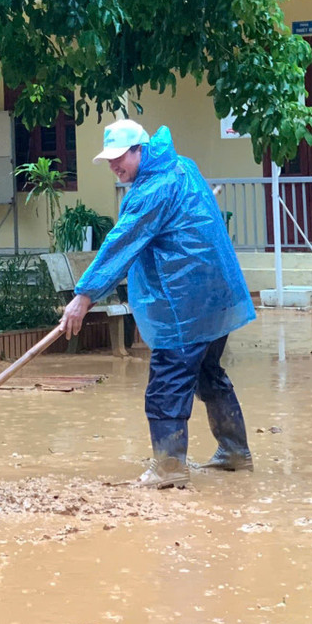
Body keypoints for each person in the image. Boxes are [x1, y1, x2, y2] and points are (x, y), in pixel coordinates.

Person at [59, 119, 255, 488]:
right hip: (216, 298)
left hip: (184, 307)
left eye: (121, 158)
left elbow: (122, 242)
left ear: (141, 150)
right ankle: (234, 453)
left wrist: (83, 297)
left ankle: (169, 468)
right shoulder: (184, 167)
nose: (115, 166)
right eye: (111, 160)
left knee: (167, 384)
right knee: (208, 374)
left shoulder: (154, 188)